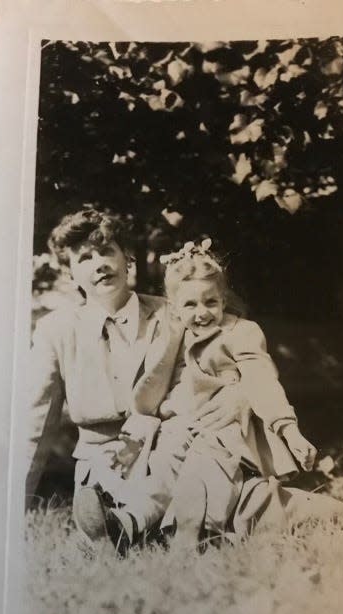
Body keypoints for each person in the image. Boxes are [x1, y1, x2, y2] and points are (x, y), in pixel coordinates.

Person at [26, 211, 247, 552]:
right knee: (143, 518)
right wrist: (9, 510)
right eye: (85, 258)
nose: (98, 264)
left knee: (250, 508)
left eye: (106, 251)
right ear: (72, 272)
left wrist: (239, 393)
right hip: (104, 464)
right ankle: (125, 525)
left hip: (173, 447)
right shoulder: (55, 330)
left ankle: (144, 527)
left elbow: (226, 352)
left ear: (127, 259)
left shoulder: (173, 313)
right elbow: (35, 426)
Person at [113, 239, 318, 543]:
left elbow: (262, 381)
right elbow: (147, 399)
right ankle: (129, 522)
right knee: (167, 458)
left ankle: (195, 534)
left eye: (211, 302)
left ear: (223, 299)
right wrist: (171, 341)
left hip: (228, 428)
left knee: (205, 464)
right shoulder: (172, 339)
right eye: (190, 305)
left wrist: (289, 430)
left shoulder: (240, 332)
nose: (202, 313)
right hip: (183, 425)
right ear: (174, 307)